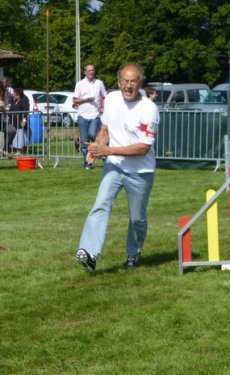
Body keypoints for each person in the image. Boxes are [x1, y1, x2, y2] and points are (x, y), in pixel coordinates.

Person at [75, 62, 160, 273]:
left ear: (141, 83)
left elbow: (143, 148)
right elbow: (105, 128)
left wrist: (109, 151)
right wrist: (97, 147)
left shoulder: (149, 109)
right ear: (118, 82)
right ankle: (89, 253)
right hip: (114, 166)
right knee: (100, 204)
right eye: (125, 81)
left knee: (137, 218)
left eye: (133, 82)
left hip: (141, 172)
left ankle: (133, 253)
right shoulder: (111, 99)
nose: (128, 86)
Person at [73, 63, 107, 169]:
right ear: (85, 72)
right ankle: (87, 163)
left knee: (92, 134)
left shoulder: (99, 83)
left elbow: (105, 96)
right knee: (84, 142)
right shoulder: (80, 84)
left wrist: (103, 108)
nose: (91, 72)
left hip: (95, 115)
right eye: (89, 70)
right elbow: (75, 100)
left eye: (93, 70)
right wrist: (86, 100)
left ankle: (100, 151)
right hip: (82, 116)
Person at [3, 88, 30, 156]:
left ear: (18, 96)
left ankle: (20, 151)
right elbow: (10, 111)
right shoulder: (13, 102)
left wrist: (24, 120)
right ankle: (18, 150)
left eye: (15, 95)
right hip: (13, 122)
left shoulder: (23, 102)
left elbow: (25, 112)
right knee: (16, 136)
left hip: (20, 123)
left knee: (20, 136)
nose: (13, 96)